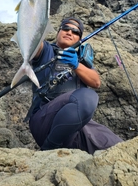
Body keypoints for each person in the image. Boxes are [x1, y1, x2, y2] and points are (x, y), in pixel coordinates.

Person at [27, 16, 123, 154]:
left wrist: (77, 64)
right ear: (58, 32)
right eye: (65, 28)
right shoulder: (46, 50)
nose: (69, 32)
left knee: (118, 147)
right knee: (87, 97)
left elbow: (96, 82)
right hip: (44, 120)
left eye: (75, 32)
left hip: (76, 127)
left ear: (79, 39)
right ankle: (49, 149)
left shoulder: (81, 61)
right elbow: (33, 40)